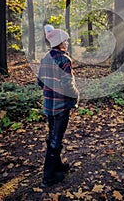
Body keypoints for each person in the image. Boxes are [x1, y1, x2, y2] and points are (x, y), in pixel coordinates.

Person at [37, 24, 79, 188]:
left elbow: (40, 81)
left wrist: (50, 88)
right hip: (61, 106)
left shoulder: (46, 57)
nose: (67, 43)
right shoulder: (64, 60)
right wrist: (76, 95)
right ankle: (48, 177)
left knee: (52, 135)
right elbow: (68, 86)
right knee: (56, 139)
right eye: (66, 41)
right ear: (60, 43)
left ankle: (57, 166)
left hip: (49, 105)